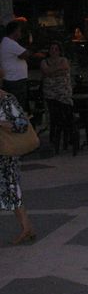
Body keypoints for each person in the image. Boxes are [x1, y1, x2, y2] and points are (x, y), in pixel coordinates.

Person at [0, 67, 35, 245]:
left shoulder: (6, 99)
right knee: (11, 190)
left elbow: (22, 123)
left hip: (5, 154)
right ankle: (26, 228)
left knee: (11, 189)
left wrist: (2, 124)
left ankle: (26, 227)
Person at [39, 41, 74, 153]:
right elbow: (46, 71)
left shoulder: (64, 60)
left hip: (63, 93)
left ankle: (69, 139)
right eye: (52, 49)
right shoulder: (44, 62)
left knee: (67, 115)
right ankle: (54, 139)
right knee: (54, 117)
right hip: (50, 94)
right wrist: (57, 70)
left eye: (56, 49)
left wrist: (51, 72)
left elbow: (64, 68)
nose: (54, 51)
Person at [0, 21, 31, 113]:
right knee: (18, 106)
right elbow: (25, 54)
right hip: (15, 81)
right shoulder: (10, 43)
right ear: (15, 31)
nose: (20, 33)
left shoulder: (7, 42)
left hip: (12, 80)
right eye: (19, 30)